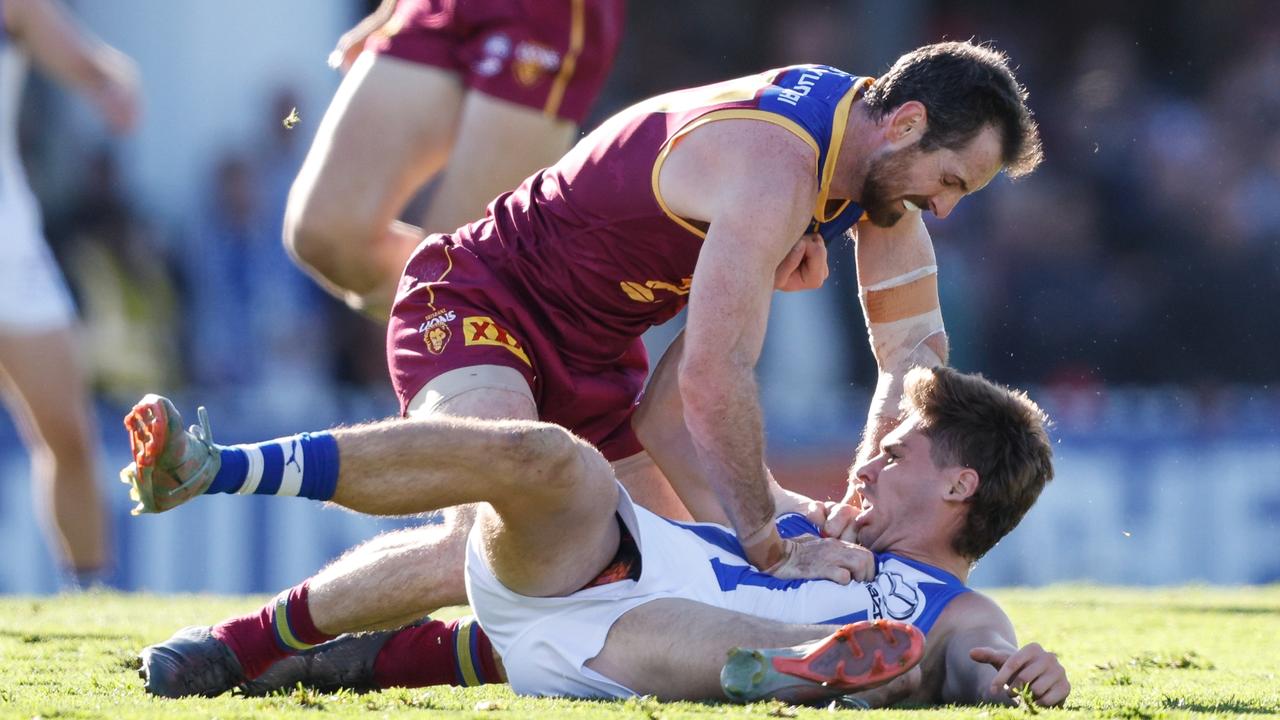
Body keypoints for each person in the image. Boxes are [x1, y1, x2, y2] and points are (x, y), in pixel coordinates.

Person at [127, 40, 1043, 696]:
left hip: (602, 353)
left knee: (628, 574)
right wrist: (771, 534)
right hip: (486, 297)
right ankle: (236, 640)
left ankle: (380, 660)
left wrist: (849, 504)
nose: (945, 210)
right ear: (908, 123)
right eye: (952, 182)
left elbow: (916, 364)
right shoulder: (778, 163)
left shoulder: (873, 172)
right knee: (497, 523)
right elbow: (713, 377)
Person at [123, 350, 1068, 706]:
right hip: (588, 576)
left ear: (962, 486)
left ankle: (803, 662)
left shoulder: (960, 609)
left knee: (691, 633)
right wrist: (745, 272)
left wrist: (1032, 680)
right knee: (547, 458)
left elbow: (989, 665)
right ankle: (216, 471)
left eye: (894, 453)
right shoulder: (792, 522)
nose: (865, 463)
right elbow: (667, 419)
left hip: (634, 646)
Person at [284, 0, 626, 316]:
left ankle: (480, 347)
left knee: (452, 279)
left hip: (543, 13)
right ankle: (468, 337)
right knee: (326, 235)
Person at [0, 0, 139, 587]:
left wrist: (112, 81)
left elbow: (85, 61)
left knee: (68, 434)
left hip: (10, 248)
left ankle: (89, 597)